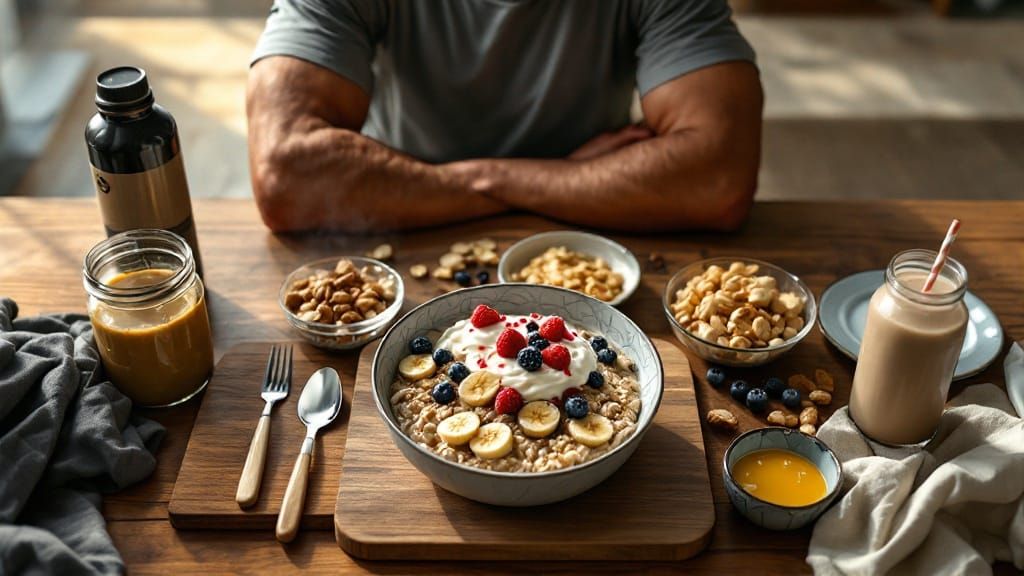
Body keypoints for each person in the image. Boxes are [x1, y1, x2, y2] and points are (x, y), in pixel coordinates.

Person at [247, 0, 763, 233]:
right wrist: (513, 179)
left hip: (590, 235)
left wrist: (478, 180)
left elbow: (719, 178)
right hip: (408, 239)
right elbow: (287, 175)